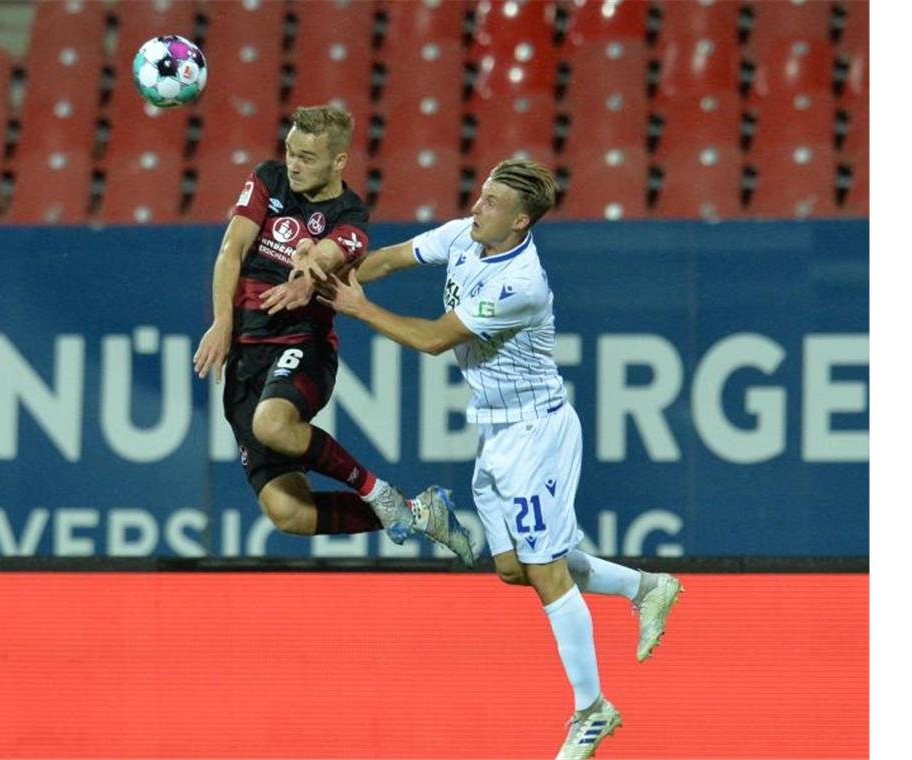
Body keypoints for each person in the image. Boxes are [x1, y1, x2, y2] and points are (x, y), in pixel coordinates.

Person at [315, 158, 683, 759]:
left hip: (537, 432)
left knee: (546, 573)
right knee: (515, 568)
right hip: (496, 433)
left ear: (520, 222)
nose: (477, 207)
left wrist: (356, 309)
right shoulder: (466, 234)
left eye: (491, 203)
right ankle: (645, 587)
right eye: (481, 195)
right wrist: (331, 276)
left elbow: (434, 340)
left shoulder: (522, 282)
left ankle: (592, 709)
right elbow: (391, 258)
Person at [192, 104, 474, 566]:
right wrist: (222, 322)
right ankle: (420, 514)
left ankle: (376, 490)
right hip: (245, 359)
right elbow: (232, 248)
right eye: (290, 152)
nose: (294, 165)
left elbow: (328, 253)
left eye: (306, 156)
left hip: (301, 347)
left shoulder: (350, 213)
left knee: (273, 423)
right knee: (289, 513)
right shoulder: (269, 178)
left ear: (339, 161)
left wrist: (309, 269)